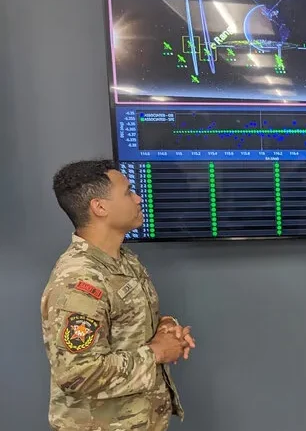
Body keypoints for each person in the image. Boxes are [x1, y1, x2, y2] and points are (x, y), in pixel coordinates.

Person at [41, 159, 196, 431]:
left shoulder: (124, 259)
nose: (138, 198)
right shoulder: (81, 279)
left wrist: (165, 327)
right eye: (128, 192)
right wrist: (157, 352)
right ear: (99, 207)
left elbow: (129, 325)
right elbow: (77, 374)